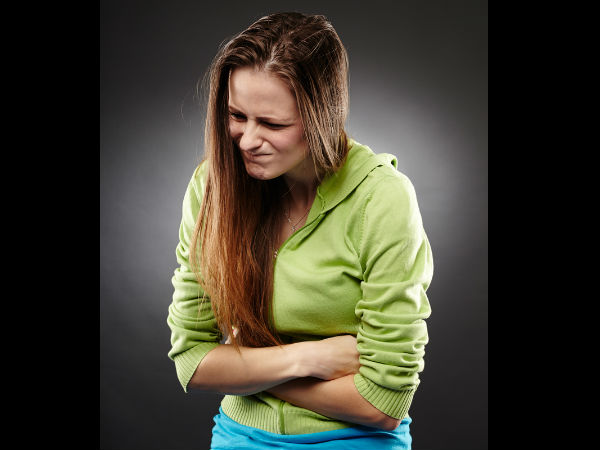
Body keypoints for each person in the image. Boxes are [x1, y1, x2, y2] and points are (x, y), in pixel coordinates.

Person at [167, 12, 433, 450]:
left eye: (272, 124)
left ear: (321, 116)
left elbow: (383, 405)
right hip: (239, 434)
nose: (247, 140)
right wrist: (306, 358)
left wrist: (246, 369)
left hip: (354, 438)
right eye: (236, 115)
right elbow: (192, 363)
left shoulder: (383, 198)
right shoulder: (212, 185)